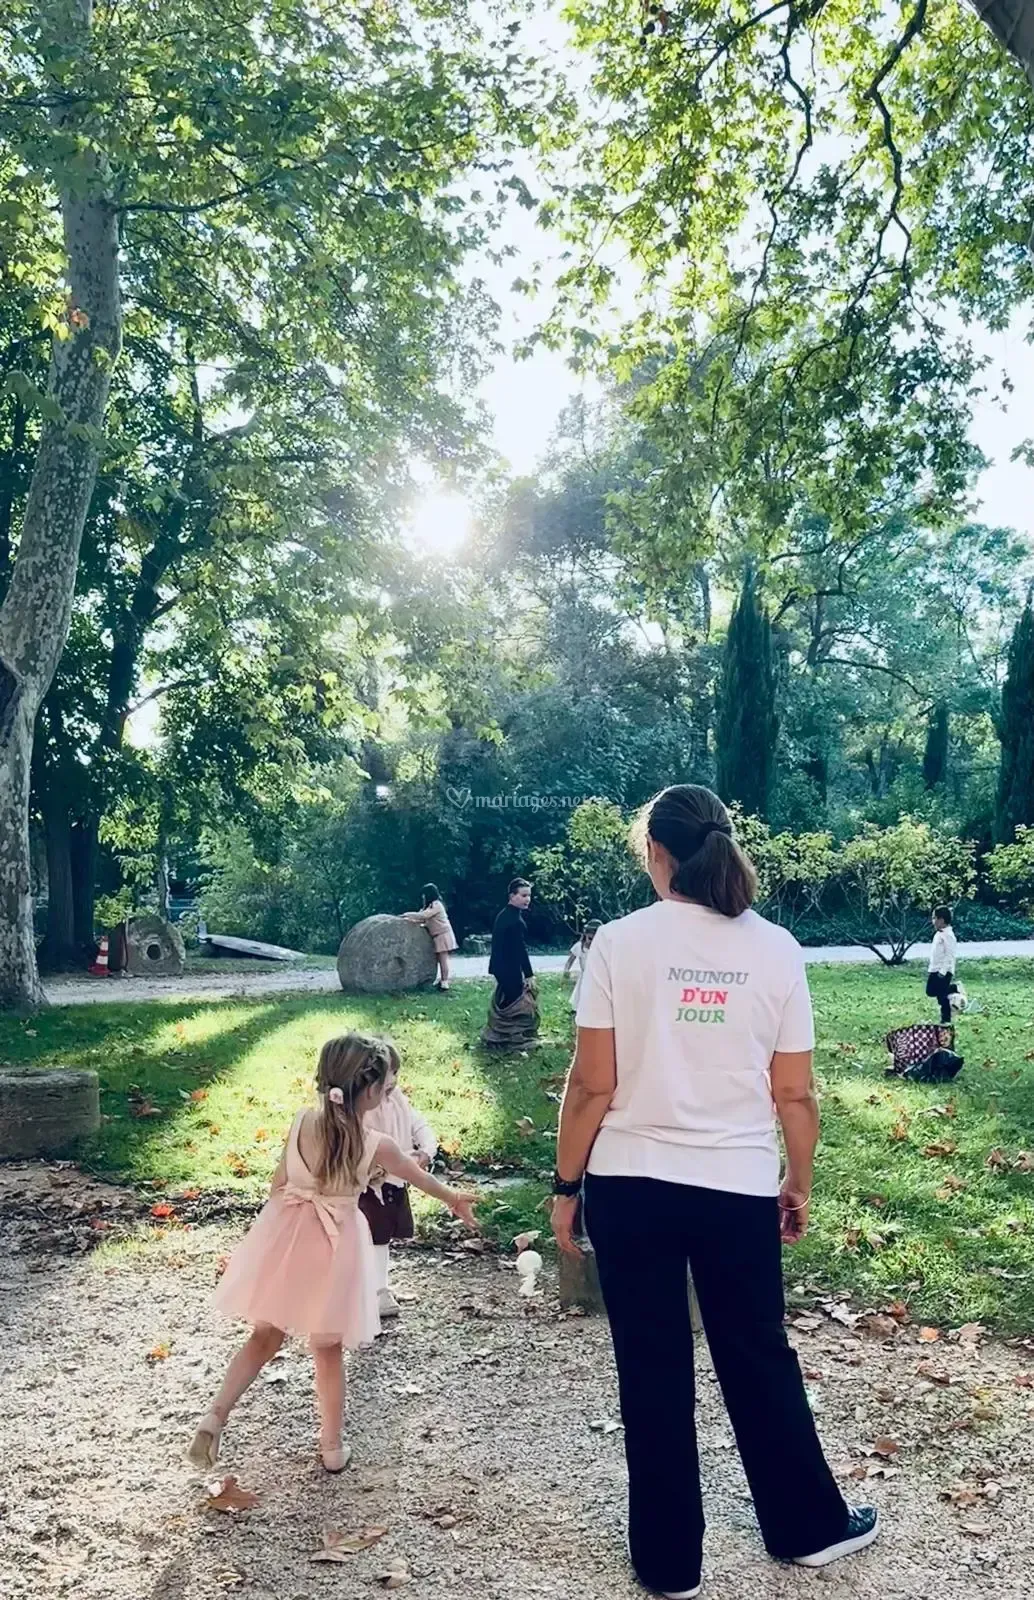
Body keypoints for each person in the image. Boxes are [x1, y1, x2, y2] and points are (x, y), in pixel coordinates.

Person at [550, 784, 878, 1598]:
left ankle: (669, 1565)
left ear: (656, 855)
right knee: (757, 1356)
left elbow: (591, 1086)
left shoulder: (619, 945)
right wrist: (796, 1180)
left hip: (630, 1187)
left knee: (651, 1368)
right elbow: (795, 1096)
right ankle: (807, 1529)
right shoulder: (777, 950)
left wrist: (565, 1186)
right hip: (735, 1189)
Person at [188, 1033, 477, 1474]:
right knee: (326, 1349)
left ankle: (216, 1415)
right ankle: (331, 1447)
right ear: (372, 1093)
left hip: (286, 1232)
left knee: (264, 1336)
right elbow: (417, 1177)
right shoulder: (376, 1143)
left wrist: (270, 1236)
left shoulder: (302, 1121)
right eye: (384, 1089)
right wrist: (454, 1197)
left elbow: (278, 1183)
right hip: (335, 1243)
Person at [360, 1056, 438, 1318]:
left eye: (395, 1073)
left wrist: (425, 1150)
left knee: (382, 1235)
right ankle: (370, 1289)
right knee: (369, 1235)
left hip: (396, 1179)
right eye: (388, 1075)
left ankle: (379, 1287)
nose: (394, 1080)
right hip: (368, 1184)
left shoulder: (397, 1100)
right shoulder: (362, 1109)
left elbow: (418, 1123)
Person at [481, 877, 539, 1048]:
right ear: (512, 896)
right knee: (515, 1004)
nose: (527, 899)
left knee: (509, 999)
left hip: (503, 966)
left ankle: (502, 1034)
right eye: (523, 895)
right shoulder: (513, 920)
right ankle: (509, 1037)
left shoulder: (507, 915)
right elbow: (520, 950)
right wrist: (528, 974)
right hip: (508, 967)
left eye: (529, 895)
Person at [402, 883, 458, 990]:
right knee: (438, 959)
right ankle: (441, 981)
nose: (423, 897)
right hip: (437, 936)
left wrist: (407, 914)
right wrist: (407, 920)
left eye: (424, 895)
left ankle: (445, 982)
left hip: (443, 934)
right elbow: (421, 918)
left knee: (443, 959)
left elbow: (424, 916)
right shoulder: (428, 907)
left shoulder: (436, 905)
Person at [926, 906, 959, 1024]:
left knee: (942, 997)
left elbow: (949, 955)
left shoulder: (949, 935)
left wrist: (943, 971)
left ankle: (945, 1019)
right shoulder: (938, 934)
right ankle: (954, 988)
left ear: (942, 920)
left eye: (935, 918)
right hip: (935, 968)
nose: (933, 921)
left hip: (943, 971)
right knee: (930, 991)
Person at [564, 920, 602, 1012]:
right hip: (585, 976)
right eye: (590, 938)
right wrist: (566, 970)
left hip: (598, 976)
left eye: (595, 938)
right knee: (582, 995)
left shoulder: (601, 947)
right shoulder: (579, 946)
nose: (592, 941)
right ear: (585, 935)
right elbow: (570, 961)